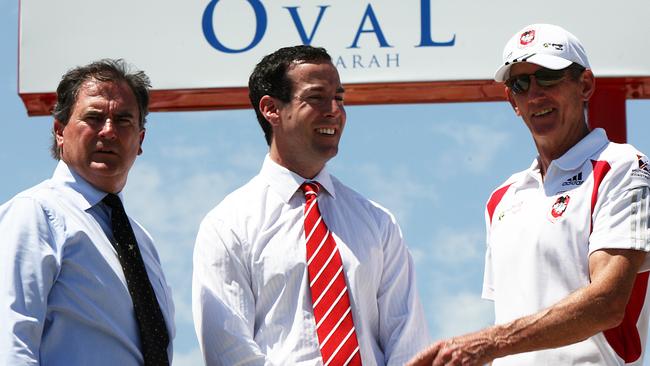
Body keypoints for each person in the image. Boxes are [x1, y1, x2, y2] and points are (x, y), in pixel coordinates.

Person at [408, 23, 650, 366]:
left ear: (585, 85)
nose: (535, 94)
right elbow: (510, 321)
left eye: (548, 76)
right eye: (520, 84)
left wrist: (489, 343)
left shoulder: (623, 166)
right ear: (512, 101)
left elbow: (608, 303)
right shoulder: (502, 198)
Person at [192, 45, 429, 365]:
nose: (334, 110)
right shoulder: (228, 225)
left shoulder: (378, 223)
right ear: (271, 109)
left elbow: (408, 342)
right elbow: (229, 351)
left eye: (339, 98)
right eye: (316, 98)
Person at [0, 59, 174, 365]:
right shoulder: (35, 214)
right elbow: (10, 341)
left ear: (140, 140)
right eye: (93, 117)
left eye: (123, 120)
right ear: (59, 131)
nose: (108, 131)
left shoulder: (141, 242)